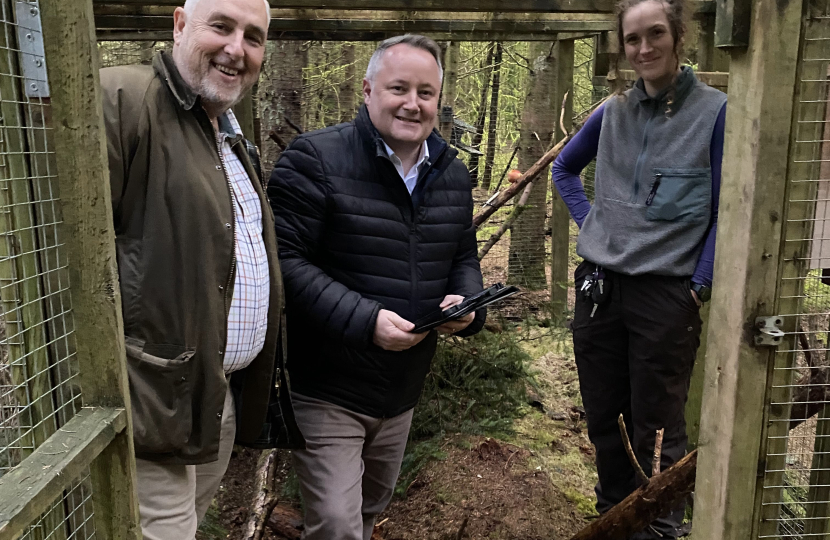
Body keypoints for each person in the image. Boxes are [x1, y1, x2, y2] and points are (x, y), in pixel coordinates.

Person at [268, 34, 486, 540]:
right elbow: (283, 261)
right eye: (399, 88)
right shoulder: (315, 159)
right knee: (338, 526)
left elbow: (462, 254)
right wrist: (365, 321)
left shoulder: (452, 173)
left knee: (367, 514)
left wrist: (469, 305)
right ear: (368, 90)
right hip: (327, 389)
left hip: (402, 389)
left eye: (426, 92)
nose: (413, 104)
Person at [99, 0, 303, 538]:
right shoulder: (124, 99)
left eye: (254, 36)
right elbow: (66, 257)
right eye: (221, 26)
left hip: (215, 400)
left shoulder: (229, 134)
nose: (237, 49)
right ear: (179, 24)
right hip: (149, 406)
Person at [551, 0, 726, 537]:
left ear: (677, 37)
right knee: (605, 418)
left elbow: (726, 209)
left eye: (655, 34)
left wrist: (699, 283)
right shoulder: (612, 112)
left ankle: (657, 529)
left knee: (657, 428)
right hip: (600, 290)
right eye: (633, 39)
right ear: (622, 47)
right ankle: (613, 520)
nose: (644, 48)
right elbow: (563, 168)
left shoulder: (716, 113)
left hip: (666, 296)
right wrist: (591, 224)